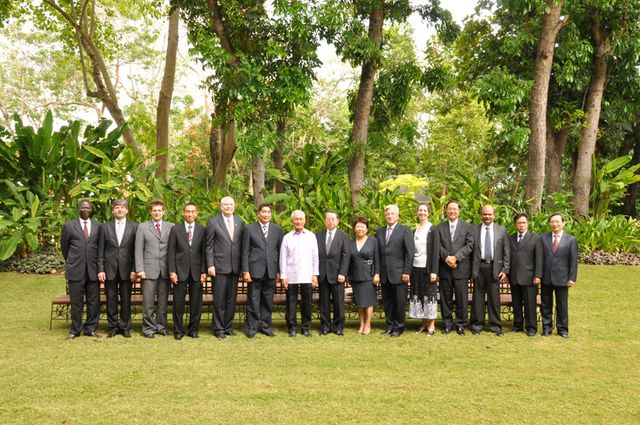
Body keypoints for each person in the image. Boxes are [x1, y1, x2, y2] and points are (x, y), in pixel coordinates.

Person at [60, 199, 102, 340]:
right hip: (75, 270)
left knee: (93, 301)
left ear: (91, 210)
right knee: (76, 302)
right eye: (83, 207)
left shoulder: (98, 226)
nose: (86, 209)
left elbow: (100, 248)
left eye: (88, 207)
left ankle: (90, 328)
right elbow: (64, 248)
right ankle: (75, 329)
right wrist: (73, 261)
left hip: (93, 270)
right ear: (78, 209)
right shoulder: (68, 226)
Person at [241, 203, 283, 338]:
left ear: (271, 214)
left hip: (271, 270)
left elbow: (280, 252)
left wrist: (278, 271)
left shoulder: (277, 230)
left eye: (268, 212)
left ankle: (266, 327)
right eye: (263, 212)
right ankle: (251, 327)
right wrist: (245, 271)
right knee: (253, 300)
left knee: (267, 300)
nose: (266, 214)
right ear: (258, 214)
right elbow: (245, 252)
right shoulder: (250, 229)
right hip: (254, 271)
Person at [97, 199, 138, 338]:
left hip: (127, 270)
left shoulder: (134, 227)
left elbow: (135, 251)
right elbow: (101, 250)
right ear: (113, 210)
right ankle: (113, 326)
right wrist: (101, 269)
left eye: (122, 207)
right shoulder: (105, 227)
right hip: (110, 269)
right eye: (117, 207)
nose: (120, 210)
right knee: (111, 300)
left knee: (126, 299)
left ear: (127, 210)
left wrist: (134, 269)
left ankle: (125, 326)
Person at [206, 196, 245, 339]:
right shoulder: (213, 222)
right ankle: (218, 329)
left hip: (235, 268)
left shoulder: (240, 222)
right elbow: (209, 245)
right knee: (219, 300)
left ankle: (228, 327)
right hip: (219, 267)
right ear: (221, 207)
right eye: (225, 204)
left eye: (231, 204)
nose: (228, 206)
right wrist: (210, 265)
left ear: (234, 206)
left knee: (231, 300)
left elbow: (241, 246)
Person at [167, 202, 207, 340]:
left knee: (196, 303)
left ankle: (193, 330)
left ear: (196, 213)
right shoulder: (175, 229)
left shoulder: (202, 230)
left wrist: (204, 271)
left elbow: (204, 252)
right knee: (178, 303)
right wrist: (172, 271)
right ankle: (178, 330)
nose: (190, 214)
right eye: (188, 211)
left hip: (197, 272)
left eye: (193, 211)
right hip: (179, 272)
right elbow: (171, 252)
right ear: (184, 213)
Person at [135, 199, 174, 338]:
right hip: (148, 270)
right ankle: (149, 329)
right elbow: (138, 249)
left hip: (165, 270)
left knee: (163, 303)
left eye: (159, 210)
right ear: (150, 212)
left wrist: (172, 270)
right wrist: (139, 268)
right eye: (154, 210)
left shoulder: (171, 227)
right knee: (148, 303)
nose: (157, 213)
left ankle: (161, 327)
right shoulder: (143, 227)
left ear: (163, 212)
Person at [435, 200, 474, 336]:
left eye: (455, 209)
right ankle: (447, 324)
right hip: (445, 268)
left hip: (461, 268)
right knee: (446, 298)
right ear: (446, 210)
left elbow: (470, 245)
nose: (452, 211)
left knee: (461, 298)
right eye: (450, 209)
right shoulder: (439, 228)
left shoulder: (467, 227)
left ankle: (461, 324)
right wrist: (447, 258)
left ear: (459, 211)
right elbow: (437, 246)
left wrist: (456, 257)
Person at [470, 205, 510, 336]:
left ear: (494, 215)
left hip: (495, 268)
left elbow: (506, 251)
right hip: (479, 267)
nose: (487, 216)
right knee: (478, 298)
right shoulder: (474, 229)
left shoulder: (501, 230)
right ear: (481, 215)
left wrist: (505, 269)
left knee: (494, 298)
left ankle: (495, 326)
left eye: (489, 214)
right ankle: (477, 325)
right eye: (485, 214)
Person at [375, 204, 415, 337]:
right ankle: (390, 326)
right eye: (387, 214)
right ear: (385, 216)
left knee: (400, 302)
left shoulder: (405, 230)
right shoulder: (379, 231)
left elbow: (410, 253)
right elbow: (378, 254)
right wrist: (378, 272)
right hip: (385, 274)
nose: (390, 216)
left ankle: (399, 327)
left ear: (397, 215)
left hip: (399, 274)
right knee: (388, 302)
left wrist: (406, 272)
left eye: (392, 214)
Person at [279, 210, 319, 337]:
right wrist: (283, 276)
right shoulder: (287, 237)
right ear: (292, 221)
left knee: (307, 303)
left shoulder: (311, 236)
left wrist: (315, 275)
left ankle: (306, 327)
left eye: (301, 219)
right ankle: (292, 328)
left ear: (305, 220)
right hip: (291, 276)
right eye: (296, 219)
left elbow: (315, 257)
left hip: (307, 275)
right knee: (291, 303)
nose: (299, 221)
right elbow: (283, 258)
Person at [541, 213, 578, 338]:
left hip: (563, 278)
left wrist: (572, 278)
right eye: (552, 222)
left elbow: (573, 261)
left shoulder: (571, 240)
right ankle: (547, 328)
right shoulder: (543, 238)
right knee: (546, 304)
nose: (555, 224)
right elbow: (540, 259)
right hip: (546, 276)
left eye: (557, 221)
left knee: (562, 305)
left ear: (563, 223)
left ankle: (562, 329)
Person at [508, 212, 543, 337]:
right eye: (519, 223)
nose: (521, 225)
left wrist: (538, 275)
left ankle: (531, 327)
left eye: (523, 222)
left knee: (530, 304)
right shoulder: (510, 238)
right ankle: (517, 325)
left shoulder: (535, 238)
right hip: (514, 277)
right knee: (516, 303)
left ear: (527, 223)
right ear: (515, 225)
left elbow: (539, 259)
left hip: (530, 278)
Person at [316, 210, 349, 336]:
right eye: (328, 219)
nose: (330, 221)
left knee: (338, 302)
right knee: (323, 302)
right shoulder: (318, 235)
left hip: (337, 275)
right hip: (323, 274)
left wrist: (343, 273)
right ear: (325, 221)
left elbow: (346, 256)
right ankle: (325, 326)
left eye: (333, 219)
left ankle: (338, 326)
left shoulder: (343, 236)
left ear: (337, 221)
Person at [408, 203, 439, 336]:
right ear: (417, 212)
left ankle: (431, 325)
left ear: (429, 213)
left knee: (429, 297)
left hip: (428, 269)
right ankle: (423, 324)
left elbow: (435, 251)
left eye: (425, 210)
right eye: (420, 210)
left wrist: (434, 271)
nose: (422, 212)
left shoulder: (433, 229)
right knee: (419, 296)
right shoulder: (415, 229)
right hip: (415, 268)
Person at [347, 216, 380, 335]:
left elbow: (377, 258)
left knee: (368, 301)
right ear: (354, 228)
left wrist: (377, 273)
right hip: (355, 276)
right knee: (360, 302)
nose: (360, 228)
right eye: (358, 226)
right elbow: (348, 260)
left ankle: (368, 324)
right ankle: (361, 324)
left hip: (369, 276)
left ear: (366, 229)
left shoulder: (373, 241)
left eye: (362, 226)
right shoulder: (350, 242)